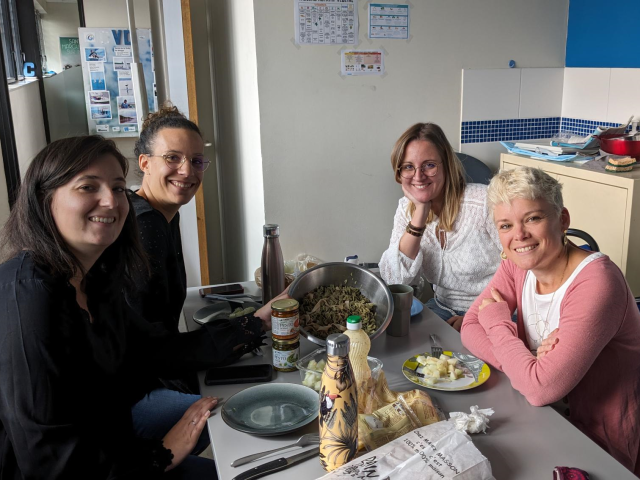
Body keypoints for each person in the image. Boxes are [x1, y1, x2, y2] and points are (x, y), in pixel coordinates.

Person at [0, 136, 265, 478]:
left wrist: (257, 324)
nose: (110, 201)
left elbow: (157, 349)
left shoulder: (94, 276)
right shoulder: (28, 296)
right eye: (87, 187)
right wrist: (162, 454)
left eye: (118, 187)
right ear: (44, 199)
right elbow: (50, 461)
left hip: (112, 445)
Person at [461, 166, 640, 476]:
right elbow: (469, 328)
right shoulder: (518, 263)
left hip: (598, 443)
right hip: (542, 416)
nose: (519, 236)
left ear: (563, 220)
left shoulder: (598, 282)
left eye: (533, 218)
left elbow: (541, 388)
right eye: (506, 225)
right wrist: (529, 365)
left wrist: (498, 322)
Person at [125, 106, 284, 451]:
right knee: (240, 419)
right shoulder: (145, 226)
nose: (187, 171)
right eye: (173, 158)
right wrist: (256, 323)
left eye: (197, 161)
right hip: (127, 396)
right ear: (145, 163)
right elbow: (155, 351)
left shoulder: (162, 213)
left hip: (148, 371)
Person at [379, 123, 502, 330]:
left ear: (446, 165)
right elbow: (396, 281)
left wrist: (477, 317)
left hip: (495, 311)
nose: (418, 176)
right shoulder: (405, 209)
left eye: (429, 165)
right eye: (408, 167)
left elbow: (522, 270)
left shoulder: (484, 202)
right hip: (441, 307)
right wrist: (420, 213)